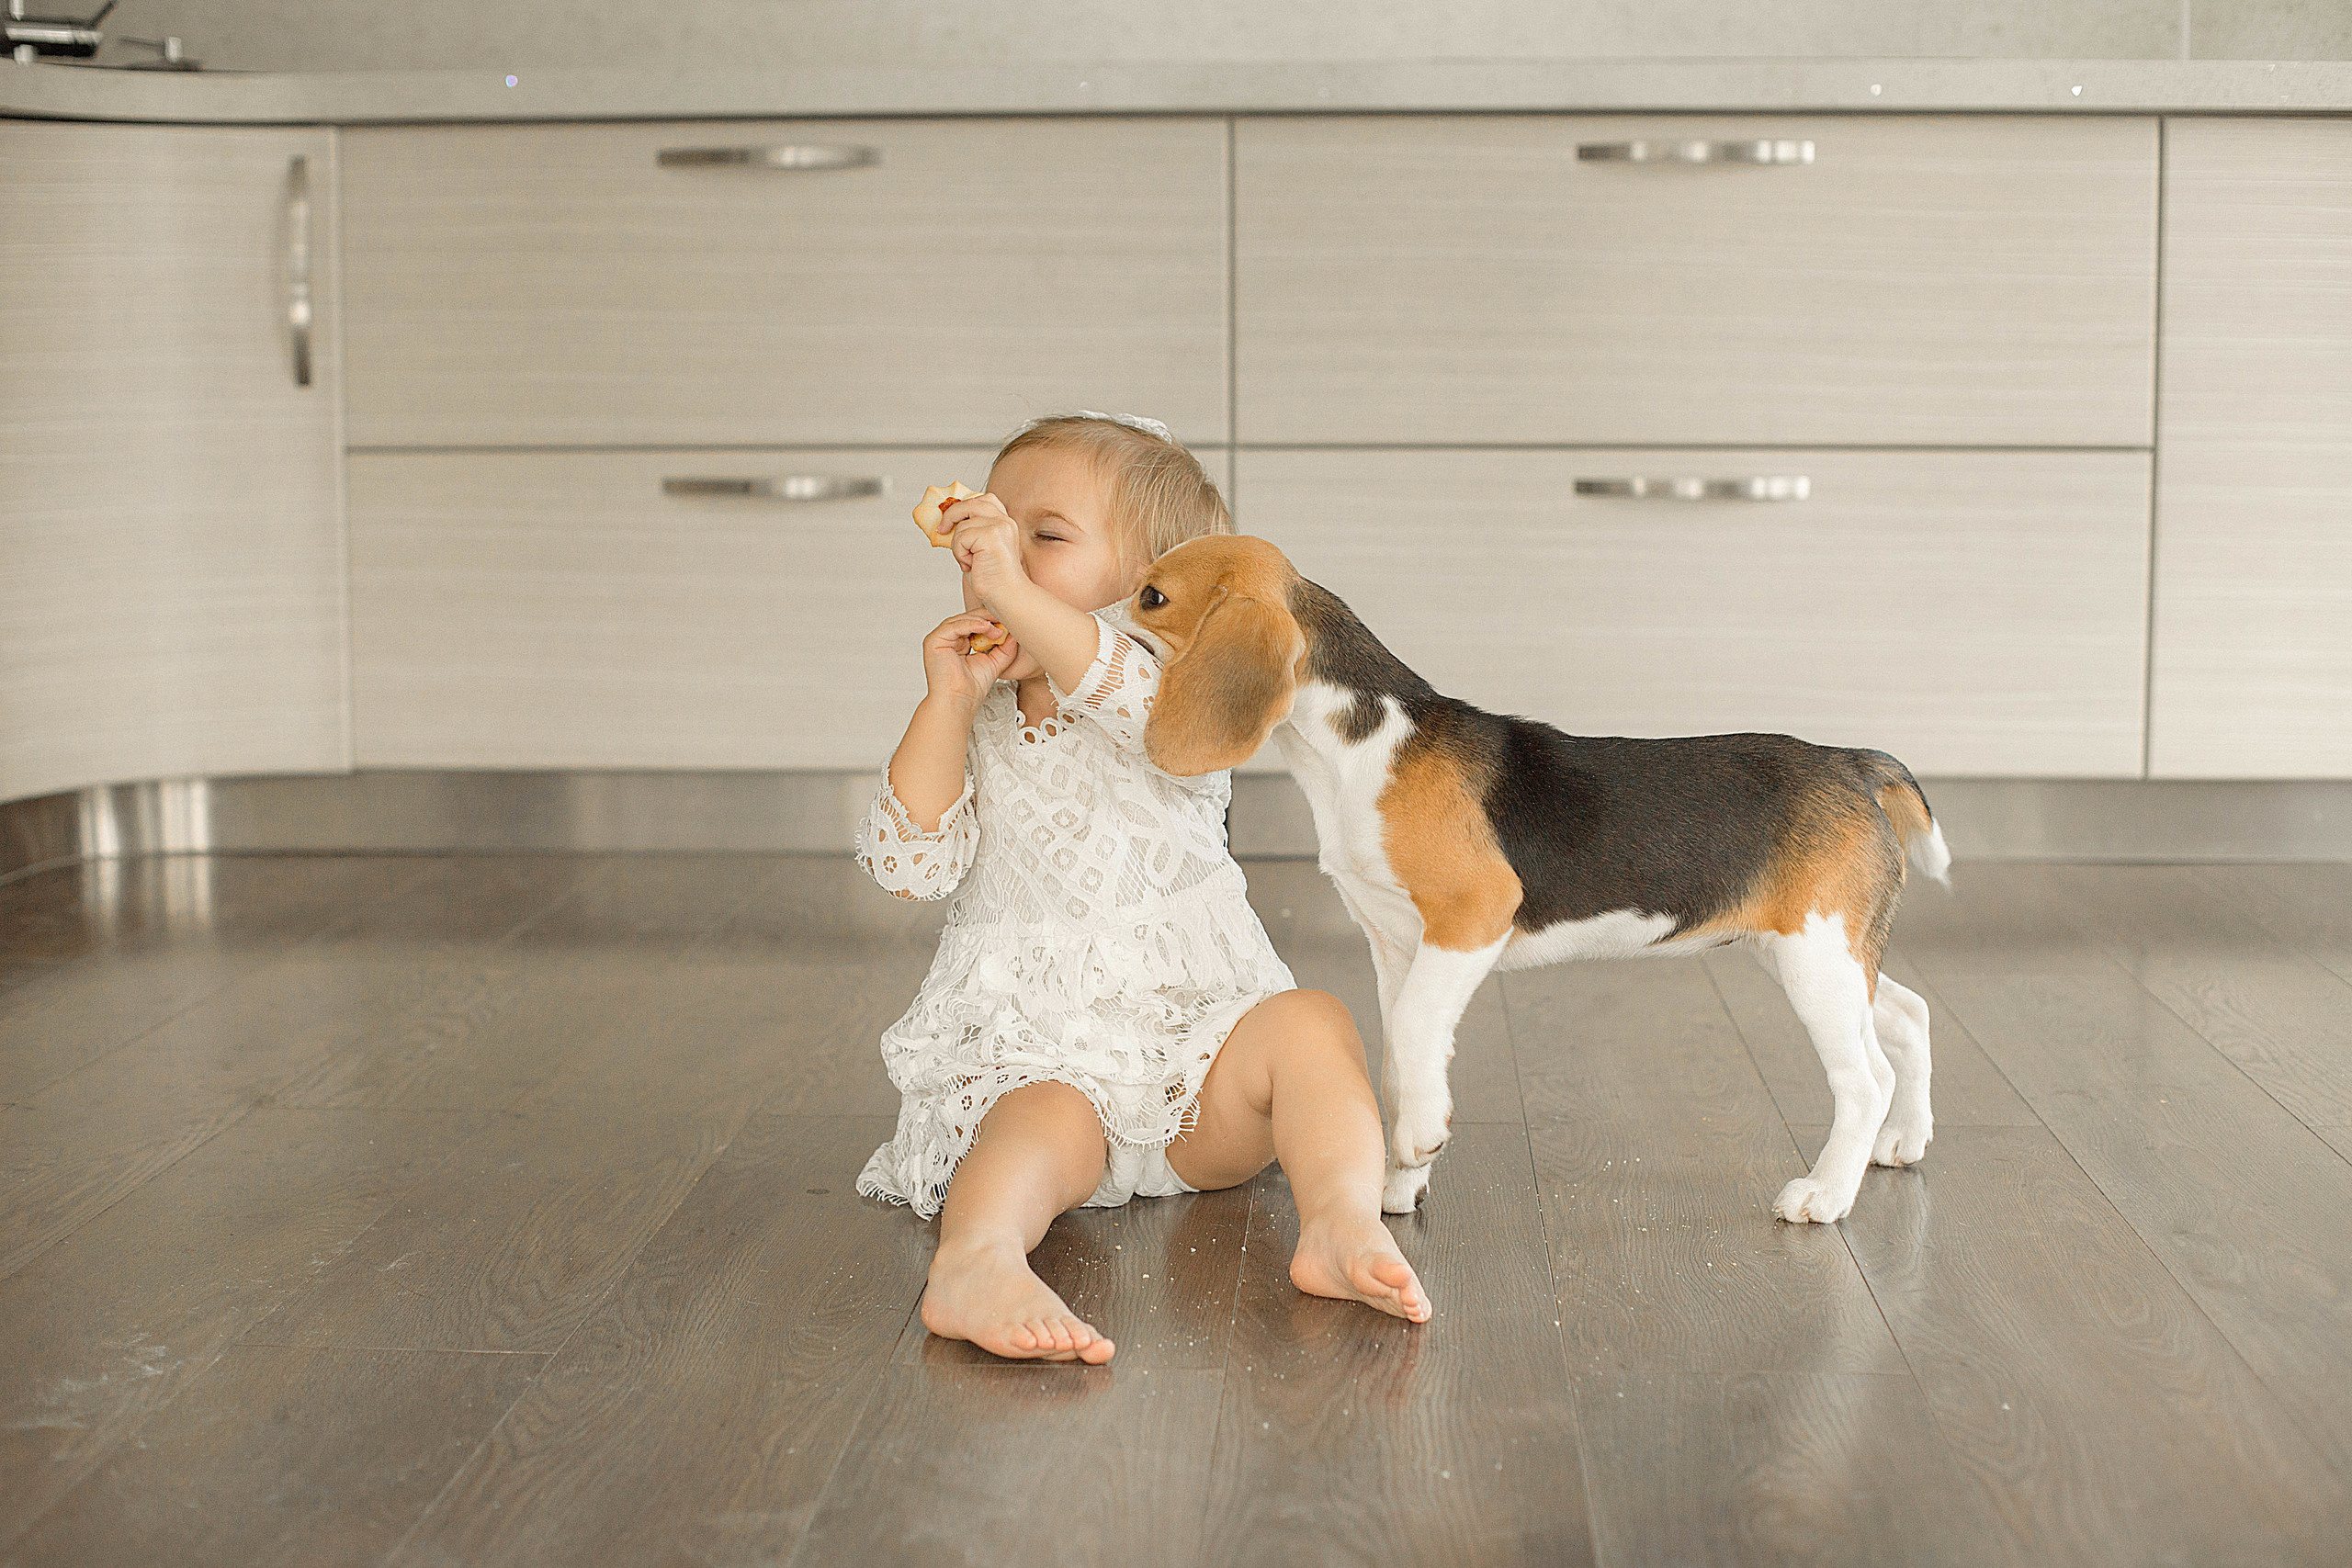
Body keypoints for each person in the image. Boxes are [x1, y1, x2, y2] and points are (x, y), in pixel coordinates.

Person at [853, 412, 1431, 1365]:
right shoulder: (982, 708)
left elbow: (1114, 686)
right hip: (1041, 1054)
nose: (993, 558)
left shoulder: (1179, 690)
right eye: (988, 535)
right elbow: (908, 862)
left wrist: (1015, 590)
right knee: (1037, 1119)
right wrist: (944, 706)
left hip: (1193, 1063)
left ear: (1148, 583)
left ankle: (1337, 1222)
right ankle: (977, 1259)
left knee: (1310, 1024)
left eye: (1042, 538)